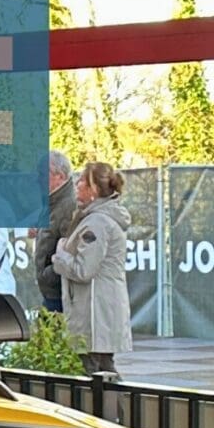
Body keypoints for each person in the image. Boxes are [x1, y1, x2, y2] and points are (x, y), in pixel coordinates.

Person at [51, 161, 131, 376]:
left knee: (91, 373)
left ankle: (111, 411)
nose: (76, 184)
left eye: (82, 182)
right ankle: (116, 410)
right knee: (103, 372)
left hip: (95, 313)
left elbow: (84, 270)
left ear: (93, 190)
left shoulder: (97, 223)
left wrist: (60, 256)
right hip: (97, 310)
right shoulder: (96, 218)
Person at [33, 151, 76, 315]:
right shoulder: (53, 201)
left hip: (59, 294)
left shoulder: (68, 205)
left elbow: (70, 249)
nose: (38, 180)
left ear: (60, 176)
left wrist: (48, 274)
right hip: (51, 291)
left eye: (43, 174)